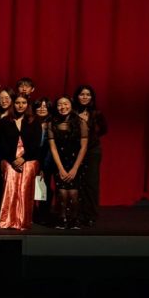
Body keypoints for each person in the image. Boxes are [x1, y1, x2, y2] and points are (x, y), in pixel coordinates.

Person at [0, 94, 43, 231]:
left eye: (23, 102)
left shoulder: (34, 121)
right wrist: (12, 160)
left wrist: (24, 158)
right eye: (17, 102)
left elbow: (36, 144)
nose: (20, 105)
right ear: (13, 104)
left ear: (27, 104)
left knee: (24, 189)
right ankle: (6, 220)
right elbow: (2, 144)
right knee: (10, 185)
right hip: (10, 158)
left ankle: (22, 221)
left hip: (29, 158)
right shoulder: (5, 121)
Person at [48, 96, 89, 229]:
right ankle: (62, 218)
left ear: (71, 106)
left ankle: (74, 218)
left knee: (74, 193)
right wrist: (60, 168)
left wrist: (75, 168)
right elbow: (53, 148)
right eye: (60, 104)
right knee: (62, 193)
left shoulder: (80, 122)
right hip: (60, 162)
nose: (63, 107)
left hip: (76, 162)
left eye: (66, 104)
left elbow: (83, 146)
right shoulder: (52, 123)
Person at [73, 85, 107, 228]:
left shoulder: (96, 113)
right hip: (75, 151)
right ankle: (77, 213)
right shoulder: (72, 112)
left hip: (92, 151)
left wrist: (91, 139)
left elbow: (104, 129)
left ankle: (90, 214)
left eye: (88, 94)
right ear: (77, 96)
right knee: (77, 183)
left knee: (91, 183)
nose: (85, 97)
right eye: (82, 94)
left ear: (92, 97)